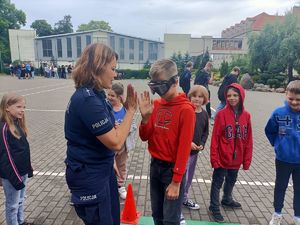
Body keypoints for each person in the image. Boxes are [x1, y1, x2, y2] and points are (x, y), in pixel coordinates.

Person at [64, 43, 137, 225]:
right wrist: (130, 111)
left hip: (102, 170)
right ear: (98, 66)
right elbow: (116, 142)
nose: (115, 74)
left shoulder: (96, 95)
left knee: (112, 220)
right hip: (90, 175)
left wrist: (110, 160)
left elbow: (105, 136)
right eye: (112, 69)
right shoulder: (87, 100)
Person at [138, 59, 195, 225]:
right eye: (154, 87)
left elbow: (184, 148)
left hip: (172, 171)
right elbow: (144, 136)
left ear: (175, 81)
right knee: (158, 215)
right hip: (155, 166)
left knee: (171, 219)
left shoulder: (186, 110)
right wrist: (146, 118)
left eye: (161, 86)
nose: (158, 92)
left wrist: (177, 182)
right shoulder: (155, 104)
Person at [209, 83, 253, 222]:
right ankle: (214, 207)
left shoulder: (246, 116)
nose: (232, 98)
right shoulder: (221, 115)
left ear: (241, 96)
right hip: (222, 157)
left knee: (232, 179)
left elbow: (248, 139)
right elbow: (215, 138)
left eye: (235, 95)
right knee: (217, 182)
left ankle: (227, 199)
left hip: (237, 158)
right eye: (229, 96)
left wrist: (246, 160)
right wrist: (214, 159)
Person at [265, 80, 300, 225]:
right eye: (291, 98)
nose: (294, 102)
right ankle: (277, 214)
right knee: (280, 187)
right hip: (283, 159)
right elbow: (269, 130)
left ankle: (297, 216)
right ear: (286, 95)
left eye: (298, 100)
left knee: (299, 189)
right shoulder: (278, 113)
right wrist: (278, 145)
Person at [0, 93, 35, 225]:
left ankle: (20, 222)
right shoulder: (3, 127)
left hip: (22, 172)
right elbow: (5, 156)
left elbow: (23, 149)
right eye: (19, 106)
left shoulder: (17, 123)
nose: (22, 110)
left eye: (24, 107)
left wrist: (28, 167)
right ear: (7, 107)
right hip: (12, 175)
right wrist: (16, 178)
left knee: (21, 200)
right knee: (12, 205)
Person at [181, 85, 209, 216]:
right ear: (189, 97)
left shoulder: (204, 114)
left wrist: (202, 144)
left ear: (205, 99)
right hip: (184, 152)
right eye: (194, 96)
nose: (197, 99)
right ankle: (178, 199)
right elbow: (180, 130)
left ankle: (184, 198)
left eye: (200, 97)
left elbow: (205, 132)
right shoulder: (187, 111)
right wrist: (188, 143)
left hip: (195, 153)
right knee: (182, 176)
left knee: (189, 177)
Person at [107, 82, 137, 200]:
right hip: (109, 144)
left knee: (121, 166)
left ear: (120, 97)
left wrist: (124, 127)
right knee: (108, 165)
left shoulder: (125, 110)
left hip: (122, 145)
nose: (109, 98)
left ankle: (120, 186)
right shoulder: (106, 108)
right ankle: (108, 185)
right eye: (108, 95)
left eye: (112, 95)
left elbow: (133, 125)